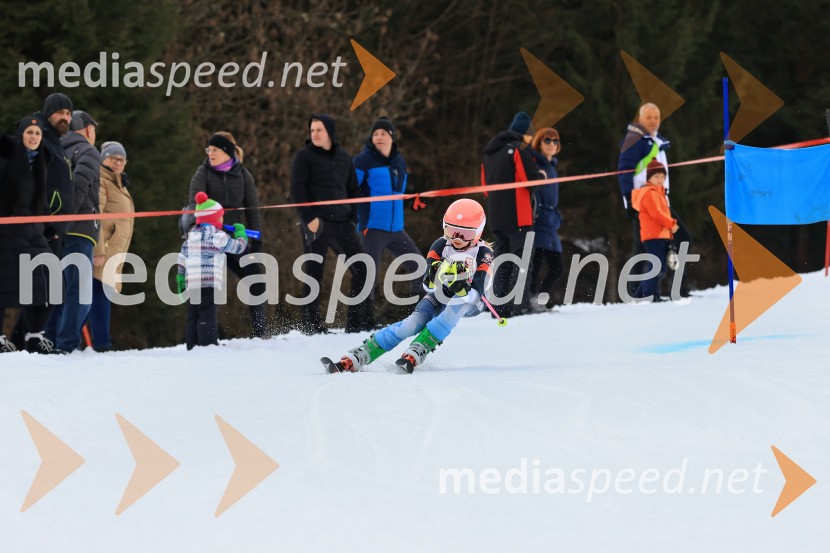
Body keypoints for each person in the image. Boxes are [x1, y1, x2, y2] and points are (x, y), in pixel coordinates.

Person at [325, 198, 493, 373]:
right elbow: (428, 286)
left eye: (465, 234)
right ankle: (362, 353)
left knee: (456, 308)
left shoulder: (483, 253)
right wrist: (435, 275)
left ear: (478, 233)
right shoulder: (441, 244)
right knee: (412, 323)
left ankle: (420, 348)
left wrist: (461, 287)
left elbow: (476, 294)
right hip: (443, 291)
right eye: (450, 230)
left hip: (474, 300)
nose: (456, 238)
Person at [290, 113, 372, 334]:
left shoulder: (344, 157)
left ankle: (356, 324)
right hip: (317, 222)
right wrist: (309, 219)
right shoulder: (303, 156)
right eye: (312, 130)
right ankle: (311, 325)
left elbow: (354, 190)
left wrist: (353, 217)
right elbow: (297, 189)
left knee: (362, 268)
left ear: (330, 133)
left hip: (343, 222)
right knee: (313, 273)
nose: (315, 134)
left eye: (319, 130)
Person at [187, 132, 266, 337]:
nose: (210, 153)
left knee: (255, 278)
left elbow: (252, 207)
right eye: (209, 150)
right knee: (207, 288)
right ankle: (202, 335)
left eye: (214, 150)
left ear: (227, 152)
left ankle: (260, 331)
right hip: (210, 239)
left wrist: (257, 239)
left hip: (234, 239)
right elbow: (193, 204)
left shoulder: (243, 174)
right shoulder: (203, 173)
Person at [617, 102, 691, 296]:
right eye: (648, 117)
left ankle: (659, 289)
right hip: (644, 202)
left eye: (656, 117)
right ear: (640, 119)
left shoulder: (657, 141)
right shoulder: (634, 140)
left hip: (661, 201)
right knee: (667, 240)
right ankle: (640, 291)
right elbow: (624, 171)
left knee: (655, 244)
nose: (653, 121)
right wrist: (628, 201)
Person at [43, 110, 101, 354]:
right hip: (78, 231)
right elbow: (77, 189)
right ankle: (66, 345)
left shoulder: (55, 149)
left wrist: (53, 227)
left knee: (61, 291)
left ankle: (49, 340)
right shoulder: (88, 151)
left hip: (56, 231)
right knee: (80, 292)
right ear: (87, 129)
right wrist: (64, 224)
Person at [352, 116, 422, 304]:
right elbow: (349, 189)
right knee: (369, 274)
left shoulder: (399, 163)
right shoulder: (362, 160)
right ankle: (364, 320)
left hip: (396, 229)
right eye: (375, 134)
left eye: (383, 133)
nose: (379, 137)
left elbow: (400, 192)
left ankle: (423, 311)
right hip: (372, 227)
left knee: (420, 266)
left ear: (392, 137)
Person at [0, 117, 53, 353]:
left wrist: (51, 228)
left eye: (38, 134)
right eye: (29, 132)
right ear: (20, 134)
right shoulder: (6, 159)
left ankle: (34, 336)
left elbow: (40, 202)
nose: (33, 137)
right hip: (7, 232)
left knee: (52, 281)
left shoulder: (40, 163)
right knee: (6, 287)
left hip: (34, 233)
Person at [481, 111, 542, 317]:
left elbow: (485, 188)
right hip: (520, 217)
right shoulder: (519, 149)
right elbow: (530, 179)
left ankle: (498, 307)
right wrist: (540, 174)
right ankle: (519, 305)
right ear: (526, 135)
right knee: (522, 261)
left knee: (502, 260)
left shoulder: (489, 153)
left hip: (497, 217)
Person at [178, 192, 249, 349]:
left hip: (192, 282)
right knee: (207, 313)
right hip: (208, 281)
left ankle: (192, 344)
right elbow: (238, 248)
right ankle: (207, 344)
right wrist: (241, 234)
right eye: (221, 217)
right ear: (214, 219)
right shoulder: (217, 235)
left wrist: (181, 278)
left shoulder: (191, 235)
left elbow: (182, 257)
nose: (222, 221)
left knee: (193, 314)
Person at [88, 141, 134, 351]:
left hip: (114, 250)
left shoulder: (119, 183)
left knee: (101, 294)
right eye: (112, 158)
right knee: (99, 294)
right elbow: (95, 215)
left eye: (121, 159)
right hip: (104, 249)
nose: (117, 162)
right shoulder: (102, 181)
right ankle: (101, 343)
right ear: (102, 159)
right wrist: (98, 250)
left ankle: (100, 341)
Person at [631, 160, 678, 301]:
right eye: (656, 176)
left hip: (659, 235)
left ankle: (641, 294)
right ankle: (649, 295)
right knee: (657, 266)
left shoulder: (659, 194)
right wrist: (671, 224)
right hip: (653, 235)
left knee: (659, 266)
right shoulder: (650, 193)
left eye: (663, 177)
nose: (660, 180)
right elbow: (656, 214)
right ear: (649, 177)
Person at [528, 128, 564, 312]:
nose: (551, 144)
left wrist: (557, 217)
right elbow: (534, 193)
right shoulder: (535, 163)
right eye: (547, 140)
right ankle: (532, 301)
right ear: (539, 143)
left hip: (551, 223)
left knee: (557, 267)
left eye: (555, 141)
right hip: (539, 221)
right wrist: (539, 212)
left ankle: (540, 299)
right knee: (537, 263)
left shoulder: (552, 166)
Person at [35, 92, 75, 256]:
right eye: (60, 112)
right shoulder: (40, 140)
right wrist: (47, 224)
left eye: (68, 114)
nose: (64, 117)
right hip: (46, 227)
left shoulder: (56, 142)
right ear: (48, 113)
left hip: (58, 225)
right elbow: (35, 184)